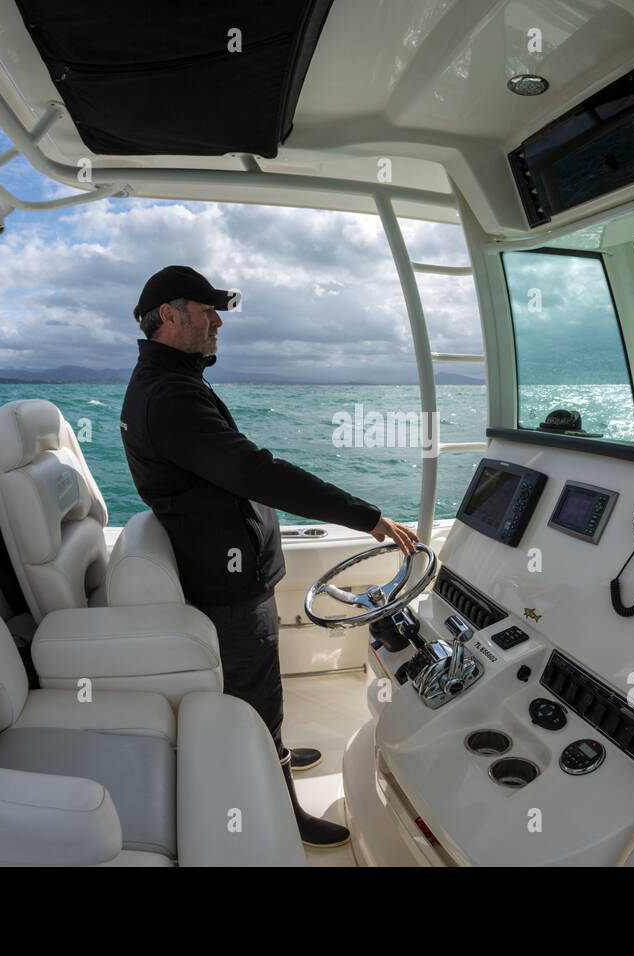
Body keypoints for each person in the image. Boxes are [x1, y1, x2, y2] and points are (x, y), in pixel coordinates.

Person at [119, 265, 419, 848]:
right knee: (257, 700)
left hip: (226, 569)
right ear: (170, 316)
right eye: (206, 310)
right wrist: (368, 517)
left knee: (264, 691)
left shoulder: (166, 381)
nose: (218, 320)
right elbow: (255, 471)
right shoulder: (170, 394)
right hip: (227, 584)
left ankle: (274, 753)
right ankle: (281, 813)